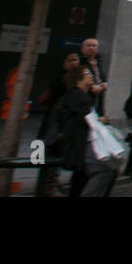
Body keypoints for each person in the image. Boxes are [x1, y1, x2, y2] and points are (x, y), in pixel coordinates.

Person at [47, 64, 117, 197]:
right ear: (78, 79)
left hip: (78, 144)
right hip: (75, 146)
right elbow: (86, 120)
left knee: (84, 179)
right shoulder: (76, 97)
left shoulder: (80, 96)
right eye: (87, 73)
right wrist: (100, 120)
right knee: (106, 170)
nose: (91, 75)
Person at [36, 52, 82, 196]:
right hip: (55, 123)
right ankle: (47, 185)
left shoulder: (76, 81)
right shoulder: (60, 81)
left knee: (57, 154)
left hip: (65, 124)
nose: (74, 63)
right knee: (50, 153)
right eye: (70, 60)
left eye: (76, 60)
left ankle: (52, 182)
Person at [80, 37, 109, 116]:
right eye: (88, 46)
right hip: (83, 98)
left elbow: (102, 77)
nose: (91, 48)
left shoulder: (98, 62)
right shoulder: (80, 63)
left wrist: (104, 83)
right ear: (82, 48)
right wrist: (92, 87)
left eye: (94, 46)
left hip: (98, 99)